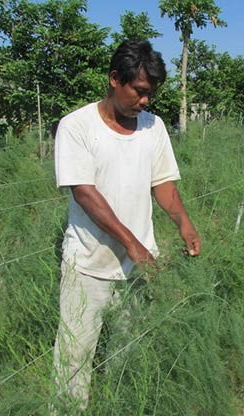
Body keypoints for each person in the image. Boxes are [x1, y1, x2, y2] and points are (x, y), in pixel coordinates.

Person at [53, 39, 201, 408]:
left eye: (150, 94)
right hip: (88, 267)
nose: (145, 101)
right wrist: (132, 244)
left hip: (138, 270)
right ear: (114, 79)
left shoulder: (154, 127)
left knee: (128, 356)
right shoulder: (77, 127)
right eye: (139, 92)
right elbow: (84, 193)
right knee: (74, 360)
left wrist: (184, 223)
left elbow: (163, 183)